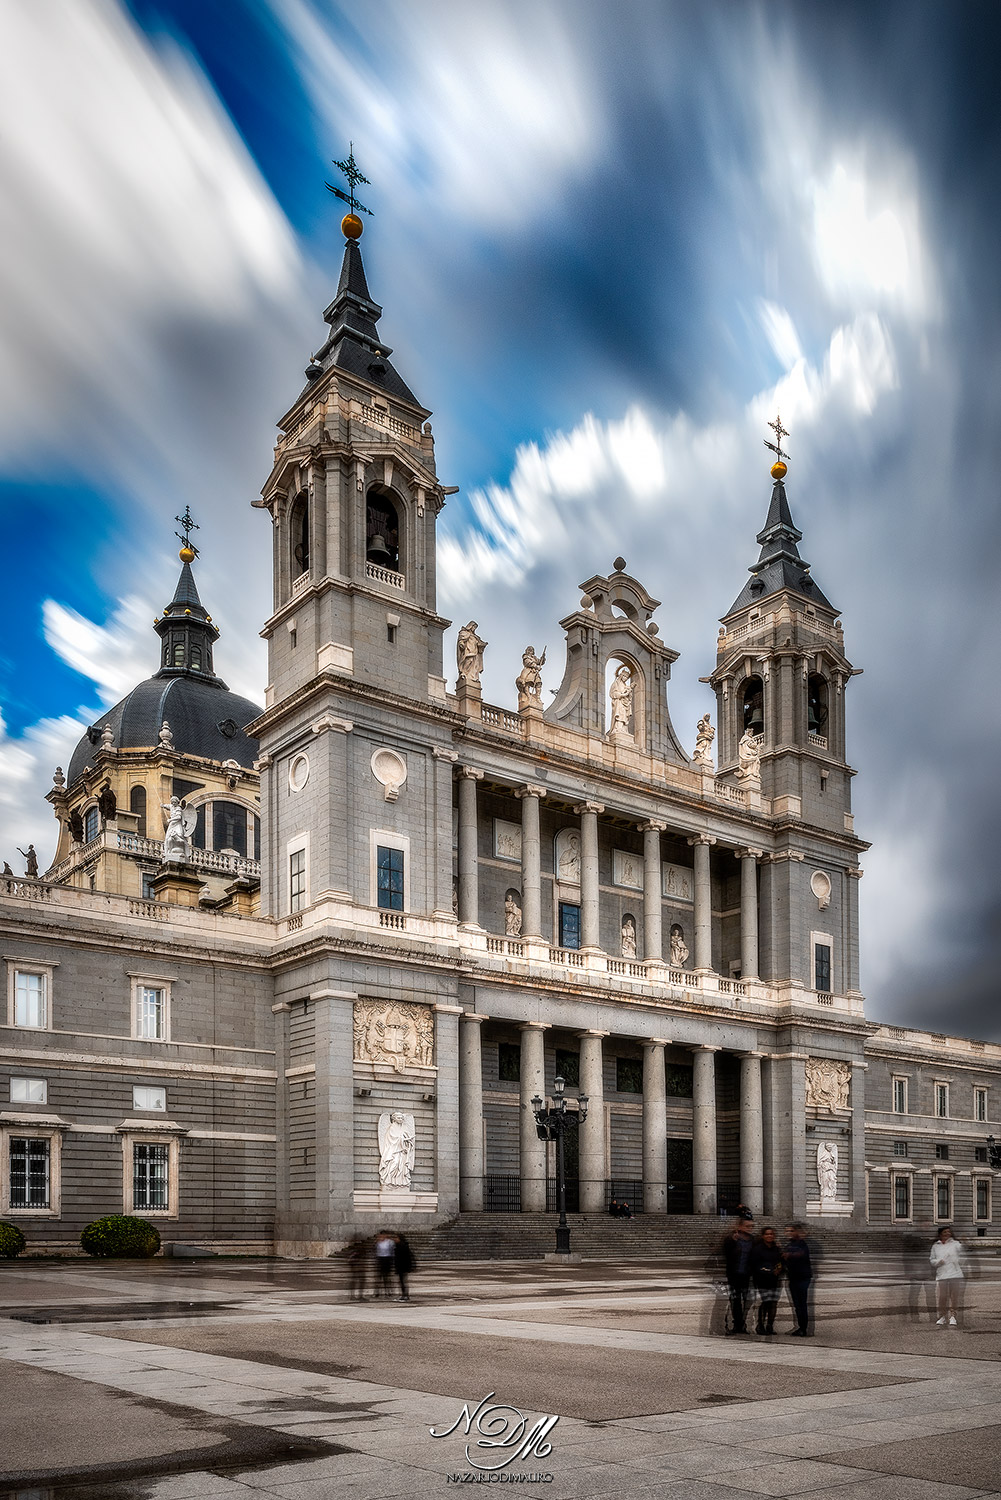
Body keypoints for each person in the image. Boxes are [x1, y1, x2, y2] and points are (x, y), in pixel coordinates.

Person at [720, 1217, 754, 1335]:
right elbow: (725, 1253)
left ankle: (743, 1324)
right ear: (740, 1227)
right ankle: (735, 1325)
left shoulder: (753, 1240)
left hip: (746, 1275)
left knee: (746, 1301)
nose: (750, 1229)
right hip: (734, 1275)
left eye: (751, 1226)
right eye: (747, 1226)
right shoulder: (731, 1239)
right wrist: (732, 1241)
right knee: (735, 1301)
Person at [751, 1226, 784, 1335]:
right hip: (762, 1279)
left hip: (775, 1279)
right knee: (766, 1301)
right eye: (767, 1234)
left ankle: (770, 1325)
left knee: (773, 1302)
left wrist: (780, 1268)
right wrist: (769, 1271)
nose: (769, 1236)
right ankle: (760, 1325)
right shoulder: (758, 1249)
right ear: (763, 1236)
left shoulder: (777, 1248)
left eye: (771, 1234)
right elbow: (755, 1265)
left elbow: (781, 1261)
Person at [930, 1226, 965, 1326]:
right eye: (945, 1232)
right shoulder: (936, 1246)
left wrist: (963, 1245)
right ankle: (942, 1316)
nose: (947, 1234)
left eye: (949, 1232)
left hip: (955, 1274)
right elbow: (932, 1260)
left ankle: (953, 1316)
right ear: (940, 1234)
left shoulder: (955, 1244)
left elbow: (962, 1251)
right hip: (942, 1274)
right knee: (942, 1297)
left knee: (954, 1297)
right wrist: (938, 1262)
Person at [783, 1222, 813, 1335]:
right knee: (797, 1304)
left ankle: (803, 1328)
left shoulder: (801, 1243)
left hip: (802, 1277)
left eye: (791, 1231)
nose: (788, 1233)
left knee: (801, 1303)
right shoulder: (790, 1244)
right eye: (787, 1231)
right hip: (793, 1277)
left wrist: (789, 1255)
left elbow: (802, 1254)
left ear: (796, 1232)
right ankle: (800, 1327)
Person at [342, 1235, 369, 1300]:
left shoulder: (357, 1247)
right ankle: (356, 1295)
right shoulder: (357, 1248)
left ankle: (356, 1295)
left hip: (358, 1267)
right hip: (358, 1267)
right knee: (357, 1281)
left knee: (358, 1281)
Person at [373, 1228, 396, 1298]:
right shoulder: (378, 1242)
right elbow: (374, 1251)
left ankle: (388, 1291)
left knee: (387, 1277)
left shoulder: (390, 1242)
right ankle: (377, 1292)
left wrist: (392, 1261)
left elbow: (393, 1251)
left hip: (387, 1259)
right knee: (378, 1277)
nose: (382, 1237)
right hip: (380, 1259)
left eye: (383, 1235)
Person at [394, 1232, 415, 1301]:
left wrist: (408, 1267)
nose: (395, 1239)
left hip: (403, 1267)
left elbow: (407, 1257)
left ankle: (405, 1295)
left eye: (396, 1238)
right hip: (400, 1267)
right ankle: (403, 1295)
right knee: (401, 1281)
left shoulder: (403, 1246)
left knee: (403, 1281)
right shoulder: (397, 1246)